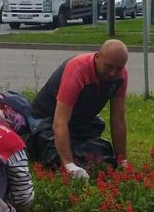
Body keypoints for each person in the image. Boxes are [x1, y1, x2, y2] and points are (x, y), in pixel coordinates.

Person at [28, 39, 129, 178]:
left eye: (118, 68)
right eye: (109, 66)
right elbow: (60, 122)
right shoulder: (77, 69)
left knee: (103, 154)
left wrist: (122, 161)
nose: (113, 73)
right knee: (54, 156)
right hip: (46, 121)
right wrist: (70, 166)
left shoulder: (121, 75)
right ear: (97, 57)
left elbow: (118, 121)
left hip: (77, 124)